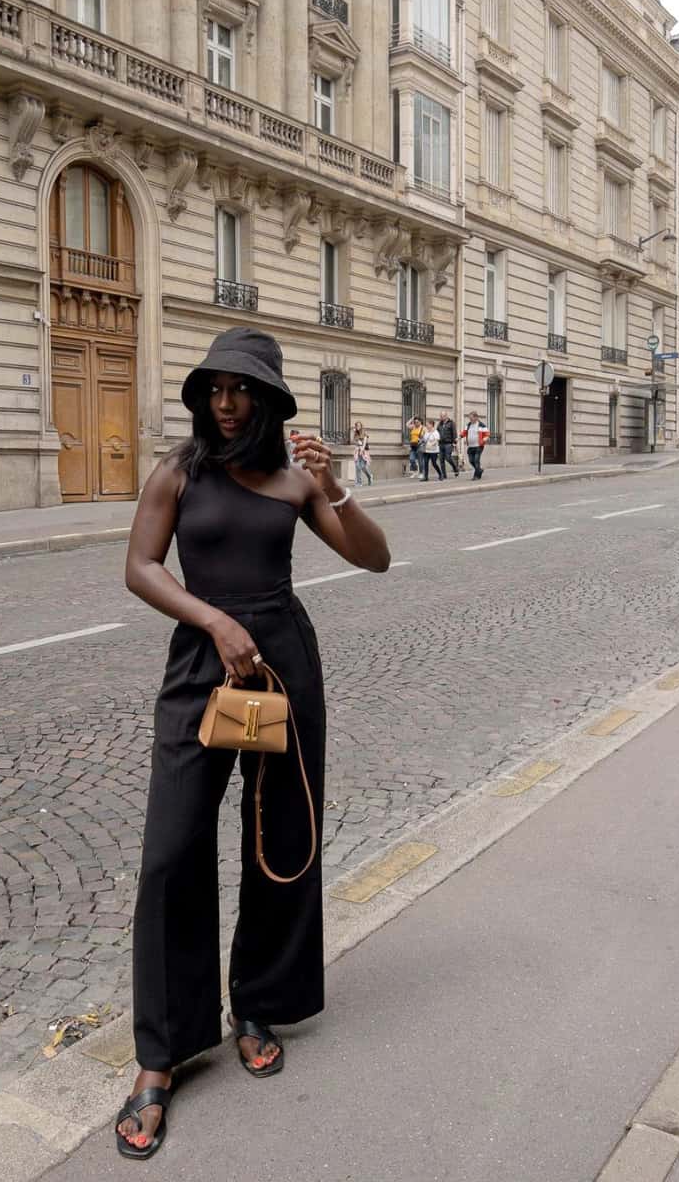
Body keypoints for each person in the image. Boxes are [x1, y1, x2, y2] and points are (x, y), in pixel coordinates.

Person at [119, 327, 391, 1159]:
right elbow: (141, 565)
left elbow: (375, 559)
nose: (225, 403)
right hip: (203, 662)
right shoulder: (179, 470)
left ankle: (259, 1004)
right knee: (172, 851)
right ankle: (162, 1054)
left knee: (282, 841)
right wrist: (212, 618)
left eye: (241, 391)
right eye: (214, 389)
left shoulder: (295, 479)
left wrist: (335, 488)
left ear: (268, 402)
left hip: (283, 666)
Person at [461, 411, 490, 480]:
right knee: (471, 461)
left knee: (476, 460)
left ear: (476, 417)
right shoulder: (468, 425)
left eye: (471, 418)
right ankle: (479, 469)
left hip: (478, 446)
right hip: (470, 446)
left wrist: (484, 440)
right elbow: (464, 432)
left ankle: (476, 476)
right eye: (469, 418)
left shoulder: (481, 425)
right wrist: (459, 437)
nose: (470, 419)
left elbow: (487, 434)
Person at [438, 410, 460, 478]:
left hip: (448, 443)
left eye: (442, 416)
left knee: (448, 458)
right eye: (440, 416)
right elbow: (437, 432)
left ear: (446, 416)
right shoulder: (440, 424)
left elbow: (454, 433)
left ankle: (455, 468)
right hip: (441, 444)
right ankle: (444, 475)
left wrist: (454, 443)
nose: (441, 417)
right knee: (441, 459)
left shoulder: (451, 423)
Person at [352, 422, 373, 487]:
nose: (357, 427)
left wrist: (362, 450)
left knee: (363, 467)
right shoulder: (356, 434)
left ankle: (370, 476)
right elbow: (355, 442)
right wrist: (355, 433)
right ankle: (359, 482)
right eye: (356, 426)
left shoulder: (364, 434)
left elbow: (364, 444)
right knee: (357, 466)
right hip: (357, 451)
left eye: (359, 425)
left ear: (361, 426)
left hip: (364, 452)